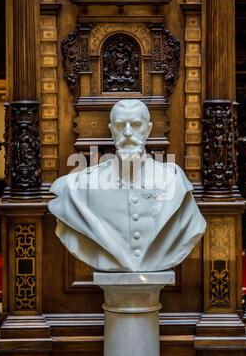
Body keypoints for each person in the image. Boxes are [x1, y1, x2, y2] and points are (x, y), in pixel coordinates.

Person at [48, 100, 206, 272]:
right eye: (120, 125)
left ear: (148, 130)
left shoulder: (173, 180)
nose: (128, 132)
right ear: (111, 130)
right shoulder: (79, 187)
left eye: (136, 125)